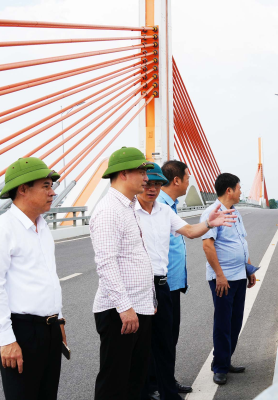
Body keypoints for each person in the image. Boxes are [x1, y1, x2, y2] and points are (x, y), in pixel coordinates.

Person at [136, 163, 236, 400]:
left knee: (166, 341)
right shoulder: (131, 212)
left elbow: (190, 231)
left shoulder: (164, 210)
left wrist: (211, 223)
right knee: (147, 345)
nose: (152, 188)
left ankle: (165, 385)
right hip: (143, 286)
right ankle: (150, 388)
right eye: (148, 184)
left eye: (157, 184)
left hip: (166, 284)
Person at [0, 157, 67, 400]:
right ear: (23, 189)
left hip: (49, 330)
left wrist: (58, 321)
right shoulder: (1, 230)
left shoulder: (42, 226)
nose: (53, 192)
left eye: (52, 186)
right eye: (46, 186)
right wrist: (6, 340)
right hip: (21, 332)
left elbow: (47, 277)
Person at [90, 147, 156, 400]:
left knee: (134, 381)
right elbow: (106, 264)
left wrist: (148, 302)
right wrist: (125, 307)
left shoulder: (127, 207)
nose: (146, 178)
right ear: (124, 174)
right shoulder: (108, 210)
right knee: (114, 383)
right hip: (120, 311)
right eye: (141, 171)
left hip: (137, 307)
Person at [200, 173, 257, 385]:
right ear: (229, 190)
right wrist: (220, 276)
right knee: (223, 323)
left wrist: (249, 269)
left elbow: (242, 242)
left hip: (239, 275)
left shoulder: (234, 212)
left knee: (235, 322)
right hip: (223, 279)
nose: (242, 191)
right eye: (239, 188)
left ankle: (226, 359)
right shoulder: (212, 213)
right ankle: (220, 367)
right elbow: (208, 245)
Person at [155, 160, 193, 394]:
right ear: (176, 180)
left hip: (173, 283)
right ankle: (158, 386)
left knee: (170, 337)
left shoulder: (171, 205)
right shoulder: (158, 205)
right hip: (163, 284)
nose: (189, 183)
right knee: (162, 340)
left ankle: (165, 382)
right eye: (187, 178)